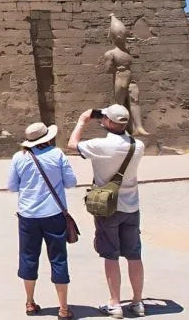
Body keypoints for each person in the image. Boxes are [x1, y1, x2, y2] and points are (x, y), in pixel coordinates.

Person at [68, 104, 146, 319]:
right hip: (131, 207)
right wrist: (113, 121)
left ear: (110, 122)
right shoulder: (137, 146)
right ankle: (138, 302)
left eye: (105, 118)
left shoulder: (99, 146)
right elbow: (123, 134)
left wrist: (83, 120)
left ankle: (115, 303)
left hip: (108, 207)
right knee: (134, 255)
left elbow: (72, 144)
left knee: (111, 256)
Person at [8, 123, 78, 319]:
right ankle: (63, 308)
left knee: (28, 257)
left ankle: (30, 303)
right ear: (47, 138)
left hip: (28, 216)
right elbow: (71, 182)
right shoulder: (57, 155)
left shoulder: (19, 157)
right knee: (58, 258)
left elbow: (12, 186)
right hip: (53, 215)